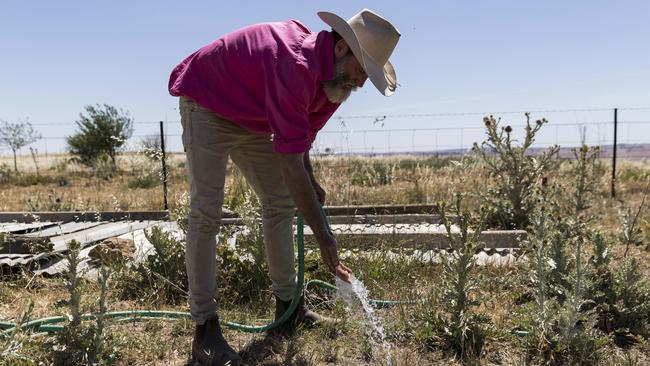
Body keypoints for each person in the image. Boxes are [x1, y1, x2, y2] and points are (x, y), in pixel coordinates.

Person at [168, 8, 400, 366]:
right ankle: (206, 332)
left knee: (279, 203)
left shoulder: (336, 83)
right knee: (207, 212)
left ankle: (288, 308)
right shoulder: (296, 65)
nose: (361, 82)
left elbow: (300, 140)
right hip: (209, 101)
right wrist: (324, 237)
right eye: (361, 70)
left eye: (368, 76)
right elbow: (290, 162)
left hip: (257, 113)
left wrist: (311, 179)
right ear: (341, 49)